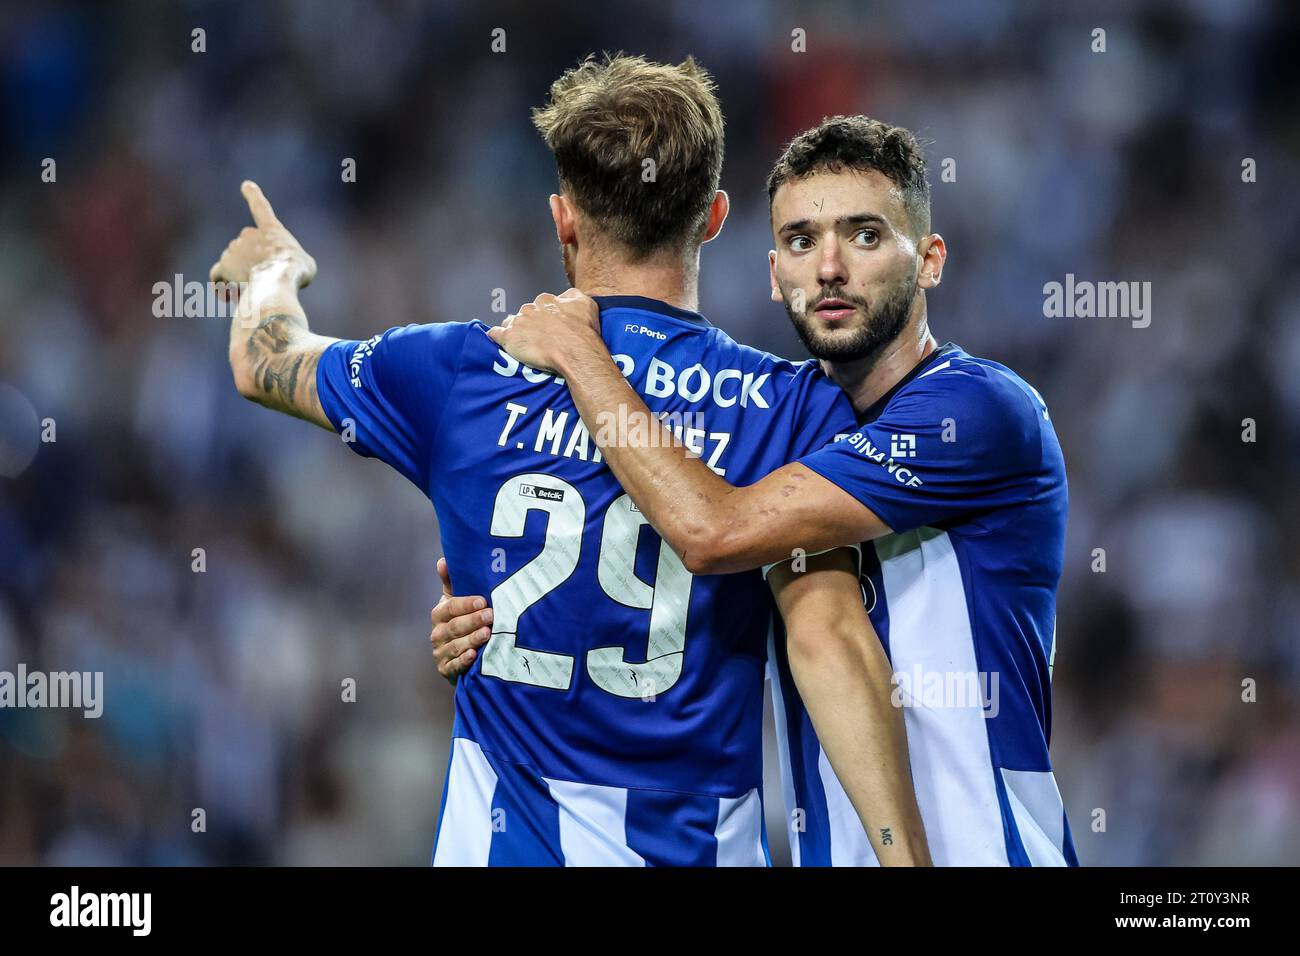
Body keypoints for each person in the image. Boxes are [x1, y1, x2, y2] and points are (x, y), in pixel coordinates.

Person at [211, 57, 927, 866]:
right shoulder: (792, 408)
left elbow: (266, 362)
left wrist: (270, 274)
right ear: (716, 217)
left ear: (564, 218)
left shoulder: (458, 373)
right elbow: (827, 634)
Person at [482, 115, 1077, 866]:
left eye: (864, 236)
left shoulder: (979, 411)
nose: (829, 267)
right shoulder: (785, 426)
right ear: (773, 274)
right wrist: (490, 614)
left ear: (929, 260)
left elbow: (710, 532)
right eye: (801, 241)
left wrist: (580, 353)